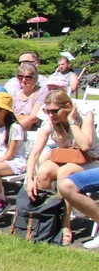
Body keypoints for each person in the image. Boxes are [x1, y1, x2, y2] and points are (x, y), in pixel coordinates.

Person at [25, 89, 99, 247]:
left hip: (92, 160)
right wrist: (29, 179)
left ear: (67, 107)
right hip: (69, 158)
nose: (50, 115)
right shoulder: (50, 121)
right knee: (43, 172)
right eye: (47, 111)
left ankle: (66, 223)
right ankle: (50, 220)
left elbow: (86, 145)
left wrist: (73, 123)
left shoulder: (84, 115)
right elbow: (35, 153)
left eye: (54, 111)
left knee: (64, 172)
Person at [9, 61, 47, 132]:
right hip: (16, 131)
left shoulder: (42, 92)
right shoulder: (15, 92)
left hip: (33, 133)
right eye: (20, 77)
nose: (23, 80)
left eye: (28, 77)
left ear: (35, 78)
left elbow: (34, 117)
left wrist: (14, 129)